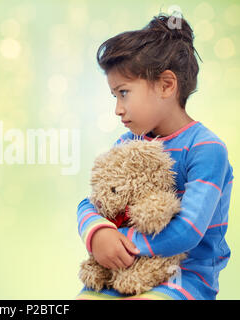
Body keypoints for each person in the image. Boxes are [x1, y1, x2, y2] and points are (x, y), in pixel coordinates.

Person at [76, 14, 234, 300]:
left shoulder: (206, 149)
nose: (118, 109)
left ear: (166, 85)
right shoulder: (127, 144)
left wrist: (121, 240)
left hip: (185, 276)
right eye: (114, 96)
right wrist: (98, 233)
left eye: (124, 93)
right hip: (124, 271)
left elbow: (187, 231)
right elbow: (91, 202)